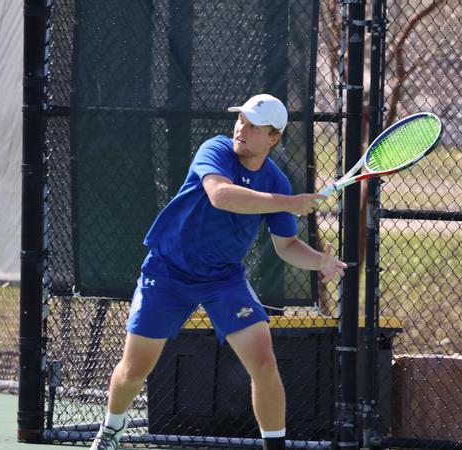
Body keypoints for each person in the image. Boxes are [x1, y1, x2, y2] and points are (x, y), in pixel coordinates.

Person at [90, 94, 347, 450]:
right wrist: (289, 203)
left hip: (223, 279)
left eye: (254, 125)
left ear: (273, 139)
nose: (242, 127)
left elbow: (286, 246)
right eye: (241, 119)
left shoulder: (276, 182)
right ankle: (113, 428)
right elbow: (221, 196)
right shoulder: (216, 150)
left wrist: (319, 261)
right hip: (167, 272)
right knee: (135, 370)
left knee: (263, 360)